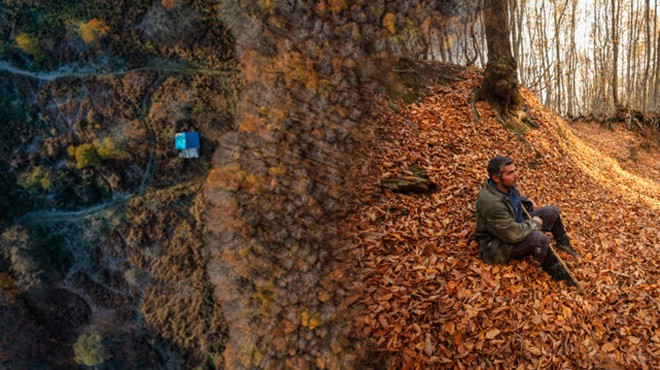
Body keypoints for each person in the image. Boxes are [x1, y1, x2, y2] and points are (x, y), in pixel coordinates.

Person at [475, 156, 581, 286]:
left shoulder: (506, 185)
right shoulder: (491, 203)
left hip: (515, 223)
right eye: (510, 173)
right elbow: (512, 234)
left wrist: (527, 201)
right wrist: (534, 224)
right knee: (538, 238)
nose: (516, 175)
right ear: (496, 178)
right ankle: (560, 276)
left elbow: (517, 199)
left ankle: (564, 246)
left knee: (552, 211)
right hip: (499, 243)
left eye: (515, 170)